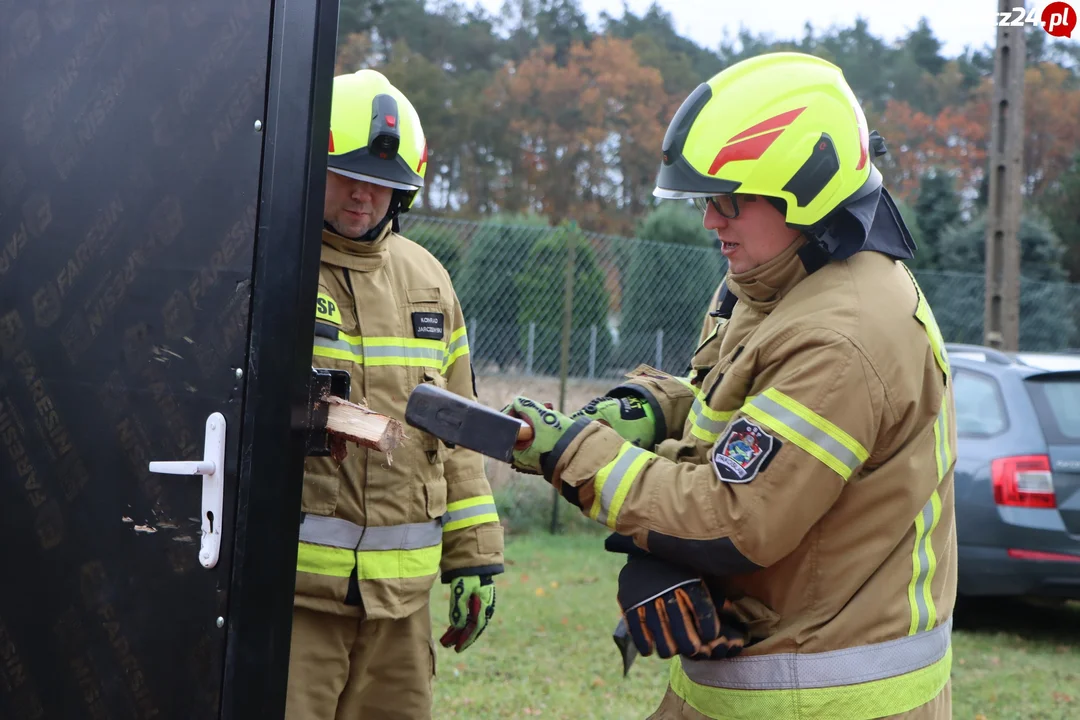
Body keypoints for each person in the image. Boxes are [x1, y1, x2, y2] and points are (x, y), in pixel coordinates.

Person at [503, 52, 956, 719]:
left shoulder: (845, 332)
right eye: (703, 199)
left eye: (727, 200)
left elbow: (735, 521)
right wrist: (657, 410)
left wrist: (574, 451)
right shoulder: (776, 280)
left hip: (826, 698)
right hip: (749, 678)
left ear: (807, 188)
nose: (710, 219)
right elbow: (735, 409)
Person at [285, 68, 505, 720]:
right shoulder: (274, 264)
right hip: (293, 601)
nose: (363, 194)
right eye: (347, 174)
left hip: (401, 608)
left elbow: (459, 432)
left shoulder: (429, 281)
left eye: (382, 183)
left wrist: (476, 559)